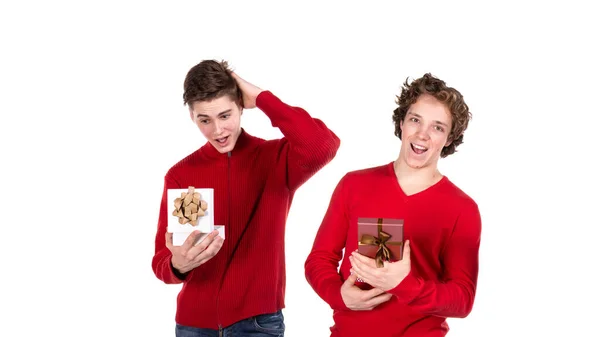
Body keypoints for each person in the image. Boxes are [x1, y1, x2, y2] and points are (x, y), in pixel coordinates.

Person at [152, 59, 340, 336]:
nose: (217, 130)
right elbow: (161, 261)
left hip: (257, 323)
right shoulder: (180, 174)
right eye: (205, 120)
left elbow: (322, 144)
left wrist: (263, 98)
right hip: (193, 324)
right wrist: (177, 266)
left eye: (225, 115)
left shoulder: (276, 159)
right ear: (192, 116)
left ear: (241, 106)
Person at [305, 73, 481, 337]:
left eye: (438, 127)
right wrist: (339, 296)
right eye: (415, 120)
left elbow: (462, 299)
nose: (422, 134)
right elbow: (319, 259)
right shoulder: (354, 185)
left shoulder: (462, 208)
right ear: (402, 123)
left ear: (449, 139)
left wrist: (405, 285)